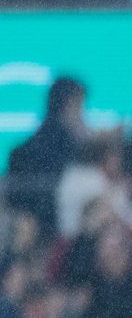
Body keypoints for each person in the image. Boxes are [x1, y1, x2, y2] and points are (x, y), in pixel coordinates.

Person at [6, 77, 89, 237]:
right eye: (80, 106)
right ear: (70, 104)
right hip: (53, 230)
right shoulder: (67, 149)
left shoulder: (25, 149)